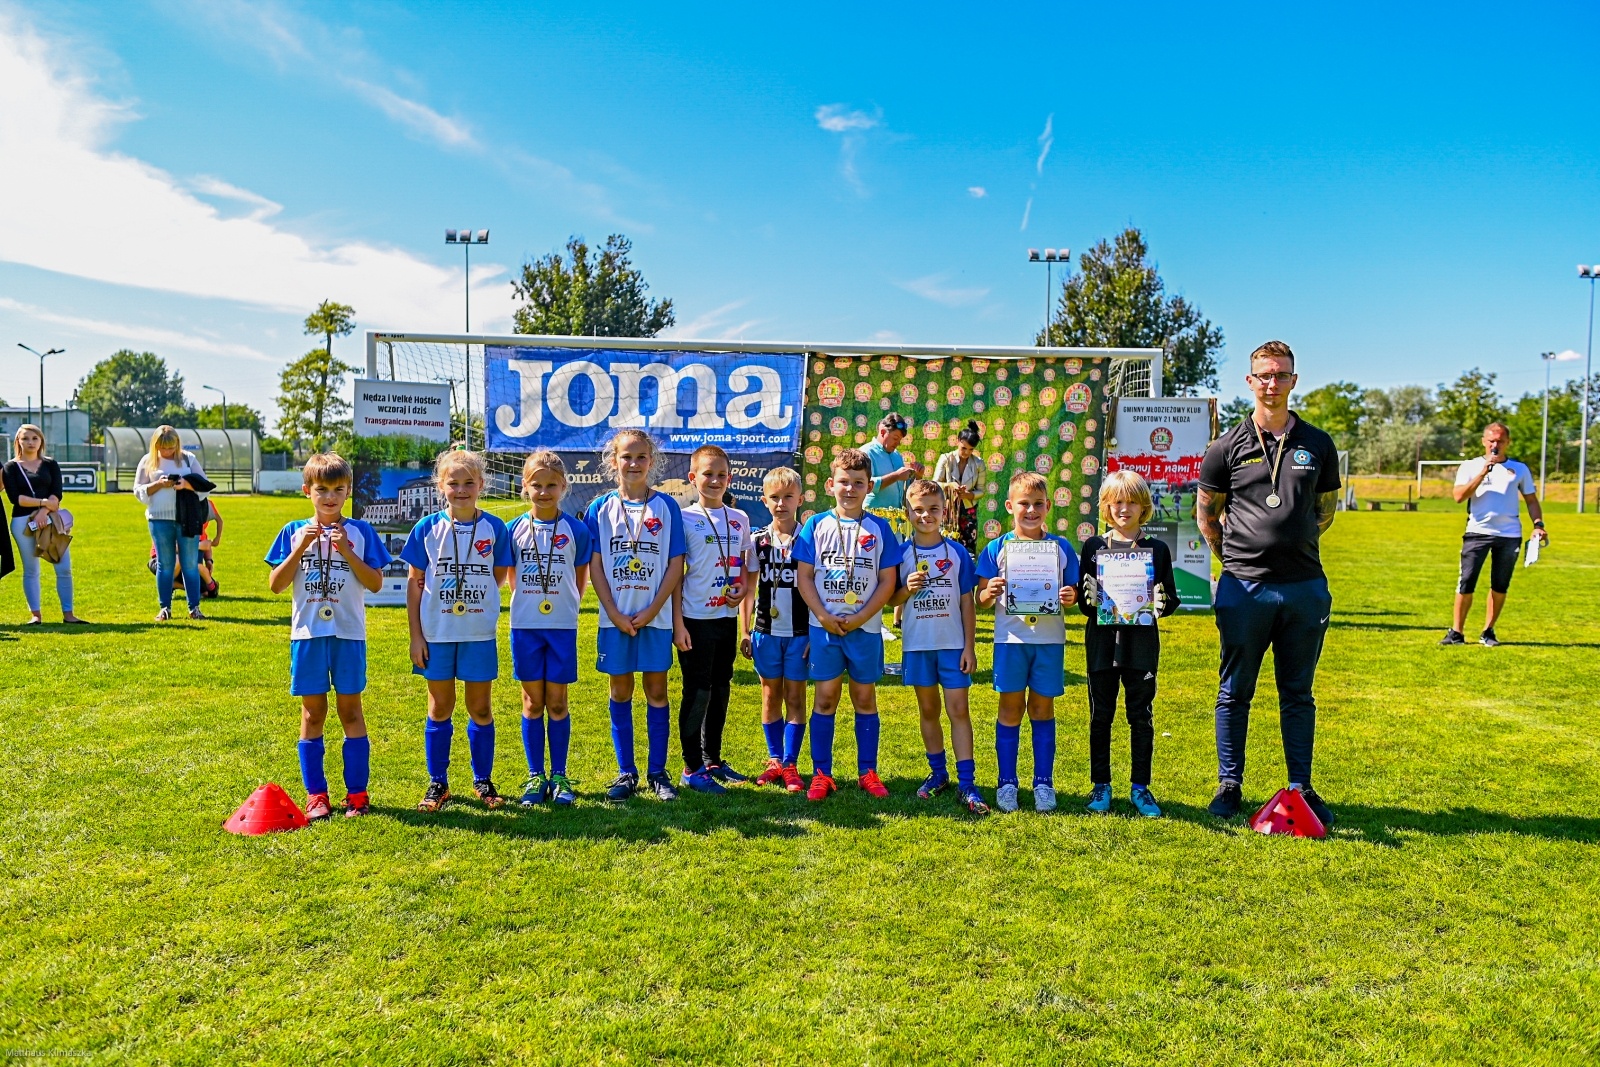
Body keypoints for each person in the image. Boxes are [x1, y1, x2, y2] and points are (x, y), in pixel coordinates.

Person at [1196, 340, 1342, 827]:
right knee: (1234, 690)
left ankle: (1300, 785)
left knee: (1297, 692)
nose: (1272, 383)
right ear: (1250, 381)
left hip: (1303, 587)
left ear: (1294, 381)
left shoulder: (1318, 443)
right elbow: (1207, 515)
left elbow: (1325, 512)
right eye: (1263, 375)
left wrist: (1290, 544)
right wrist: (1237, 560)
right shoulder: (1226, 446)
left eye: (1280, 375)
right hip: (1244, 587)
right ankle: (1229, 783)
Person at [265, 453, 391, 819]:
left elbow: (376, 583)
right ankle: (317, 795)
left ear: (348, 491)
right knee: (312, 712)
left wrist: (347, 552)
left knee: (351, 711)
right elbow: (276, 585)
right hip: (308, 635)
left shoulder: (361, 532)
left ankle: (357, 794)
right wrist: (301, 547)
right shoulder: (292, 531)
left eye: (338, 490)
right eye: (322, 490)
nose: (330, 497)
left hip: (349, 634)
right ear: (307, 491)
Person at [401, 450, 516, 813]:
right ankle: (438, 783)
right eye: (454, 483)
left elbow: (499, 575)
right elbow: (415, 583)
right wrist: (416, 636)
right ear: (441, 486)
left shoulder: (495, 528)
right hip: (436, 632)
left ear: (482, 485)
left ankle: (483, 780)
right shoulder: (427, 528)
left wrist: (477, 597)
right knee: (440, 707)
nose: (462, 489)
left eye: (469, 483)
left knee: (480, 708)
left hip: (478, 632)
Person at [793, 447, 903, 802]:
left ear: (869, 486)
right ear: (830, 484)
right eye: (844, 482)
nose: (851, 489)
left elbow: (888, 581)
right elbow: (804, 577)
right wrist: (823, 616)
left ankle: (867, 771)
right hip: (824, 628)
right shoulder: (816, 525)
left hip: (866, 628)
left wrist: (860, 617)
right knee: (825, 699)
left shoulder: (880, 528)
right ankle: (822, 773)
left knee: (864, 697)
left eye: (858, 483)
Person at [584, 429, 687, 803]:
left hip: (654, 619)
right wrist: (612, 612)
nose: (633, 463)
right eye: (626, 457)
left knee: (657, 691)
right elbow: (595, 565)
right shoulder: (600, 509)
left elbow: (676, 563)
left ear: (652, 462)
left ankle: (658, 772)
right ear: (613, 461)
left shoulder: (666, 507)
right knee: (620, 690)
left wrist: (654, 609)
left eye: (641, 457)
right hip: (616, 619)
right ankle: (626, 772)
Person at [975, 471, 1080, 813]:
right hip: (1011, 641)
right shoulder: (996, 548)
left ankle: (1043, 783)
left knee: (1041, 709)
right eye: (1024, 504)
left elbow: (1074, 593)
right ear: (1010, 506)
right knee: (1009, 710)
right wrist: (988, 592)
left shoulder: (1061, 549)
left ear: (1048, 506)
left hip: (1048, 641)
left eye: (1038, 504)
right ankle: (1006, 782)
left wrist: (1069, 595)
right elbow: (982, 597)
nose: (1031, 511)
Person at [1077, 470, 1179, 818]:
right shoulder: (1093, 547)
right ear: (1106, 506)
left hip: (1141, 647)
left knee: (1141, 716)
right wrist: (1089, 597)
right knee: (1100, 716)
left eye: (1131, 501)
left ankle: (1141, 787)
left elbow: (1170, 598)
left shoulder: (1157, 549)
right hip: (1102, 646)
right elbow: (1084, 605)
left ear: (1143, 506)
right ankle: (1101, 784)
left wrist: (1162, 604)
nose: (1124, 508)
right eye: (1117, 501)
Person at [889, 480, 986, 814]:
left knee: (959, 711)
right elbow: (890, 601)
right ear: (907, 512)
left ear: (944, 512)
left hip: (952, 646)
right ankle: (938, 773)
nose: (926, 515)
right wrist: (905, 589)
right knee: (928, 711)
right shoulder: (900, 553)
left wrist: (969, 647)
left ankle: (968, 782)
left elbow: (967, 603)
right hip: (918, 647)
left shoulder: (957, 553)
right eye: (918, 509)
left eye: (933, 509)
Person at [506, 451, 590, 807]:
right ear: (525, 487)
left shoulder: (576, 530)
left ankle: (559, 774)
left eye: (551, 485)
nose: (543, 491)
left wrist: (561, 604)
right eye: (536, 485)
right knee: (531, 701)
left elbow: (580, 580)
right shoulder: (512, 530)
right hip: (525, 625)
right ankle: (534, 776)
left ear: (563, 487)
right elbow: (511, 580)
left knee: (557, 702)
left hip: (561, 627)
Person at [672, 444, 756, 794]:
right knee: (698, 690)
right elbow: (675, 575)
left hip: (725, 617)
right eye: (708, 474)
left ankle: (713, 759)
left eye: (721, 474)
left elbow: (746, 567)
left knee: (721, 687)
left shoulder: (739, 519)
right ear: (693, 477)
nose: (715, 480)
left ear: (729, 478)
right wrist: (678, 624)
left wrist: (740, 593)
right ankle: (691, 767)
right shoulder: (683, 517)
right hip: (695, 619)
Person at [1440, 422, 1548, 648]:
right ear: (1483, 441)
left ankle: (1488, 631)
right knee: (1466, 582)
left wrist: (1538, 524)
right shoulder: (1470, 466)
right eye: (1491, 440)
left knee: (1500, 584)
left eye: (1500, 440)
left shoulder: (1520, 469)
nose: (1495, 444)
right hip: (1477, 532)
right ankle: (1457, 632)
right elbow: (1459, 497)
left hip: (1509, 535)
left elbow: (1531, 500)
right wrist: (1483, 473)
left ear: (1507, 442)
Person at [741, 467, 809, 793]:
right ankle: (775, 760)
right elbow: (748, 588)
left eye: (787, 497)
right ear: (765, 500)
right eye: (775, 498)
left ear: (800, 498)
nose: (781, 504)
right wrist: (745, 630)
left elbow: (817, 589)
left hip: (799, 633)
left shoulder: (809, 540)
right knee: (770, 695)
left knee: (795, 696)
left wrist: (815, 633)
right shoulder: (757, 541)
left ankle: (791, 763)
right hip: (765, 631)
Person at [4, 424, 84, 624]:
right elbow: (16, 498)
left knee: (63, 567)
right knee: (31, 569)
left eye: (34, 438)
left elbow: (57, 494)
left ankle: (68, 614)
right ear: (18, 442)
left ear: (41, 441)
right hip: (23, 523)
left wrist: (44, 511)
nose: (30, 442)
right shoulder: (10, 467)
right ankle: (36, 615)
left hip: (51, 521)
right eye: (25, 439)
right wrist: (42, 503)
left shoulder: (50, 464)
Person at [134, 425, 208, 621]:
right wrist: (159, 484)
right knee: (165, 565)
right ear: (155, 445)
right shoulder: (148, 461)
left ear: (177, 444)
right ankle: (164, 608)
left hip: (187, 518)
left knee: (190, 564)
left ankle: (195, 608)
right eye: (163, 447)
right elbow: (138, 491)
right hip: (159, 520)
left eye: (171, 447)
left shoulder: (187, 459)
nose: (167, 451)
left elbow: (205, 487)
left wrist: (186, 484)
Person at [932, 420, 984, 554]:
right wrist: (949, 486)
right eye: (964, 448)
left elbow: (981, 490)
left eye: (971, 449)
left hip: (968, 510)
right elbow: (935, 483)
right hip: (947, 509)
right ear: (958, 441)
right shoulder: (945, 458)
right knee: (944, 545)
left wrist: (969, 495)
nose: (967, 452)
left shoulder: (979, 464)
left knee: (968, 550)